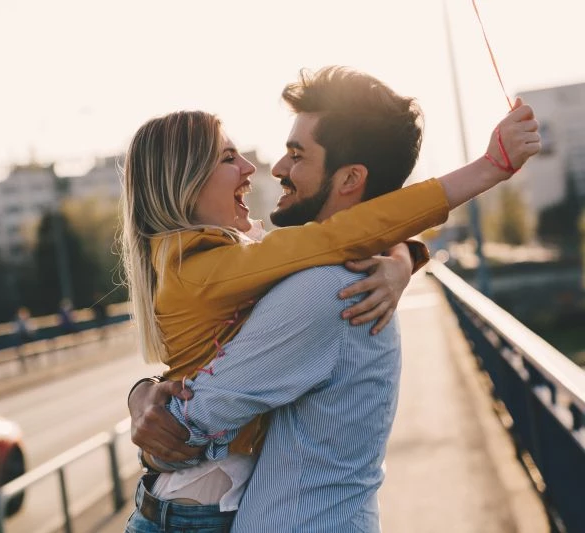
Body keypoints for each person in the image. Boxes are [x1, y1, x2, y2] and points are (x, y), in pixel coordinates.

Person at [124, 67, 540, 532]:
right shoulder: (215, 268)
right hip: (189, 512)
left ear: (349, 179)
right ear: (185, 182)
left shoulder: (324, 289)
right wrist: (144, 399)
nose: (261, 168)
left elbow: (344, 238)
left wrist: (407, 251)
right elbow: (342, 238)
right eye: (228, 158)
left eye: (296, 155)